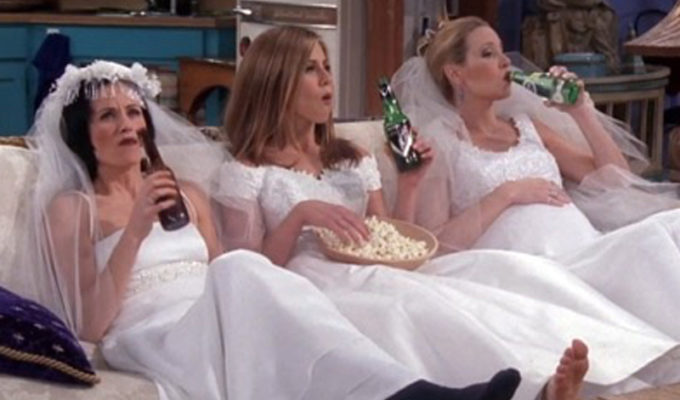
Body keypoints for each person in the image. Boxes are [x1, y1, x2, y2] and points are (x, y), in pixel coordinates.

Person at [213, 25, 680, 400]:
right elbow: (249, 274)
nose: (327, 80)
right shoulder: (247, 172)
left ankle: (534, 381)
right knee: (406, 309)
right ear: (275, 81)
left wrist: (410, 182)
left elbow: (392, 234)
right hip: (314, 279)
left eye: (328, 67)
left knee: (463, 295)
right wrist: (299, 215)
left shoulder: (352, 157)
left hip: (374, 267)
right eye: (311, 70)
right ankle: (505, 389)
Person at [20, 60, 528, 400]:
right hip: (154, 331)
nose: (127, 124)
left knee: (285, 295)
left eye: (134, 111)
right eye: (108, 116)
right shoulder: (74, 209)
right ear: (83, 134)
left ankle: (414, 390)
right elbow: (90, 326)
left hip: (218, 308)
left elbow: (223, 270)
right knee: (243, 269)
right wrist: (133, 233)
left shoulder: (186, 193)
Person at [391, 16, 680, 340]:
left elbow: (617, 182)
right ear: (455, 73)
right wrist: (507, 194)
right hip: (524, 269)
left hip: (582, 248)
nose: (505, 62)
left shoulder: (527, 126)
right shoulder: (442, 143)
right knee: (651, 246)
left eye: (501, 51)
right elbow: (434, 245)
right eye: (487, 53)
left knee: (668, 229)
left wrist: (580, 111)